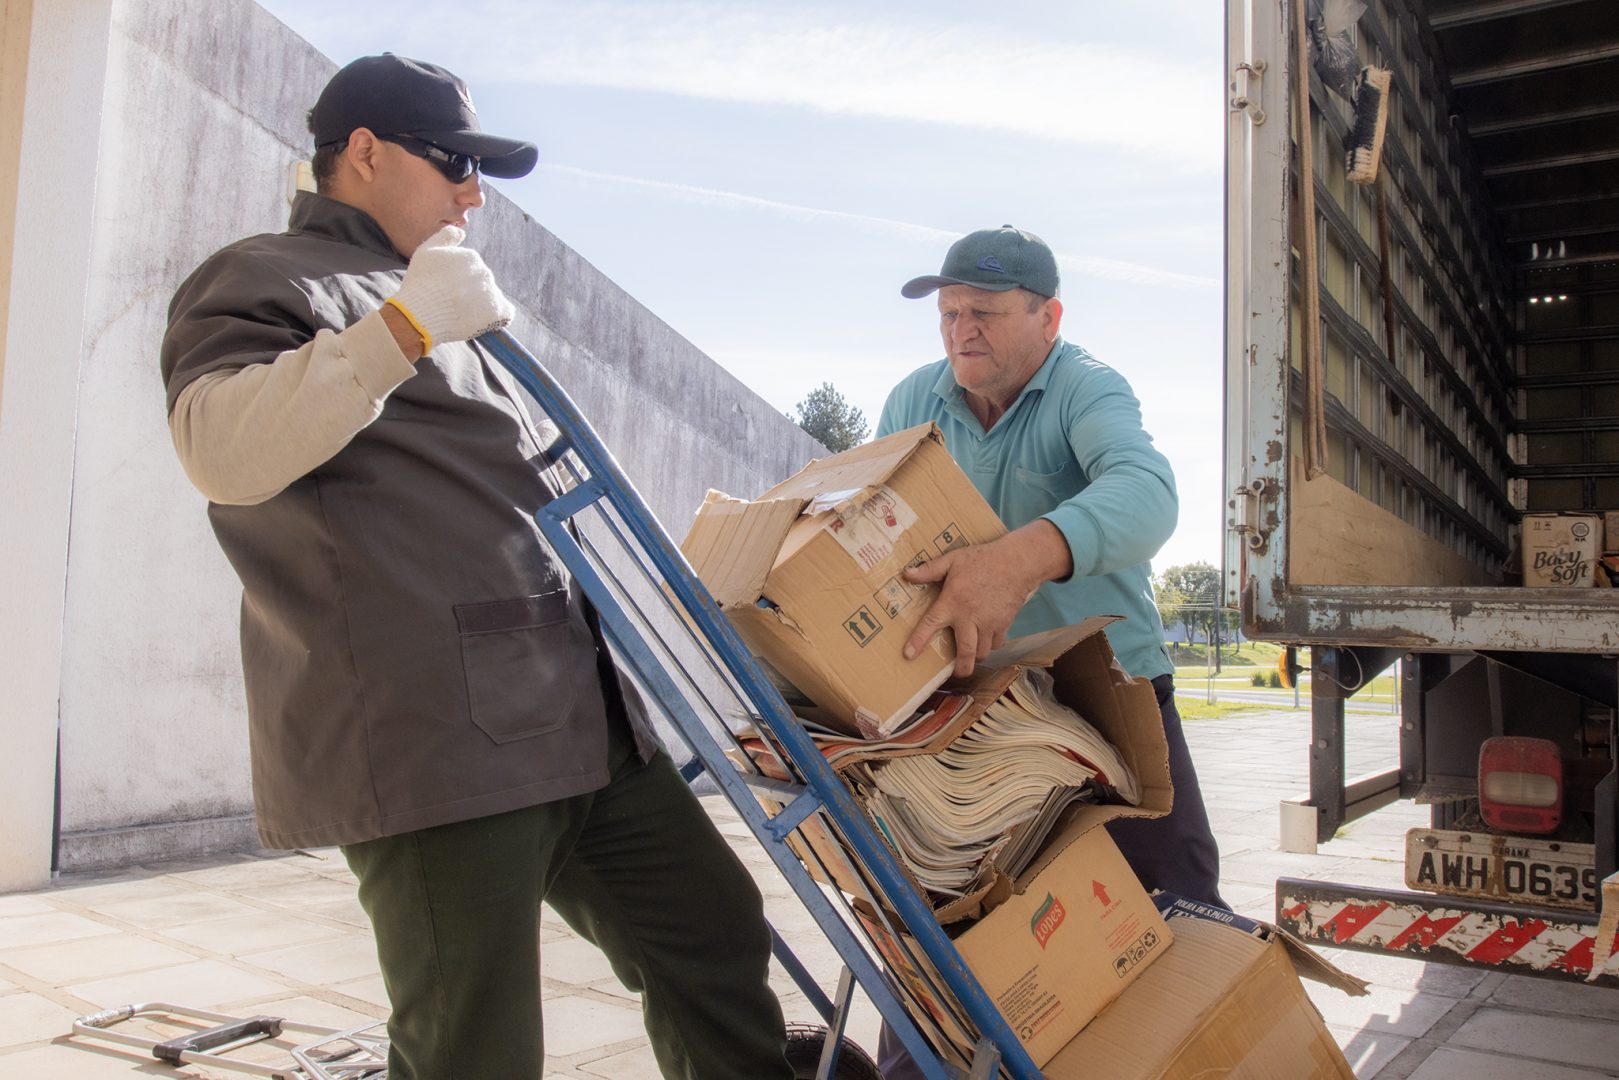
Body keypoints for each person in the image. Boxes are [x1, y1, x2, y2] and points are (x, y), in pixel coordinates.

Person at [160, 53, 790, 1080]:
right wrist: (402, 327)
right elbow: (218, 447)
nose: (472, 189)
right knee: (473, 1047)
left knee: (716, 938)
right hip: (436, 743)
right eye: (452, 160)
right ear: (362, 153)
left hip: (578, 722)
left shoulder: (435, 290)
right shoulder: (267, 278)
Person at [875, 226, 1224, 1077]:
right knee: (936, 914)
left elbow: (1146, 496)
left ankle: (1205, 1046)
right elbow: (862, 522)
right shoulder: (912, 401)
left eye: (985, 312)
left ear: (1048, 317)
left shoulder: (1087, 388)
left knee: (1173, 897)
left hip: (1108, 690)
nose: (962, 330)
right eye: (950, 313)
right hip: (972, 704)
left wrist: (1018, 559)